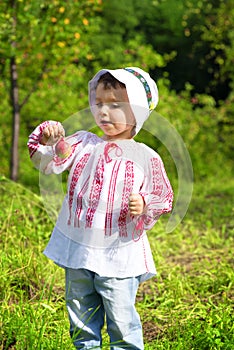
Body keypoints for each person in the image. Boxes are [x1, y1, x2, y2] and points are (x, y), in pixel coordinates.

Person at [28, 67, 173, 350]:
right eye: (99, 103)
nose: (103, 112)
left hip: (119, 255)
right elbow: (51, 161)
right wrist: (51, 139)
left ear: (138, 112)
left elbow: (162, 195)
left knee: (121, 318)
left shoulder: (145, 155)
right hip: (79, 250)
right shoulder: (84, 143)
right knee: (81, 316)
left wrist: (144, 203)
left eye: (115, 105)